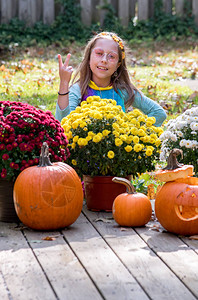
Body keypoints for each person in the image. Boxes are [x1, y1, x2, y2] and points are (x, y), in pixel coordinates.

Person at [55, 31, 166, 127]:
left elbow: (158, 113)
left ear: (118, 65)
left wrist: (134, 133)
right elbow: (64, 123)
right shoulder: (79, 90)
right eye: (99, 53)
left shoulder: (123, 90)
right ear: (88, 58)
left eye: (111, 56)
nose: (104, 60)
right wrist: (64, 83)